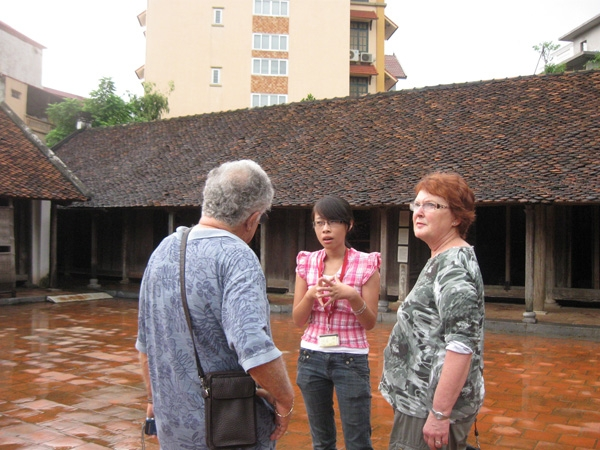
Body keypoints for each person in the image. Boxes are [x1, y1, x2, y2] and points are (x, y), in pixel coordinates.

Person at [136, 160, 295, 449]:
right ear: (252, 219)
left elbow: (145, 345)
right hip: (229, 429)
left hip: (175, 428)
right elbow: (253, 347)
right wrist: (285, 399)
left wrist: (151, 401)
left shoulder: (163, 251)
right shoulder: (237, 258)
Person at [379, 172, 485, 450]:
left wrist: (439, 414)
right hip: (419, 402)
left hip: (426, 407)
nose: (419, 212)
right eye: (416, 205)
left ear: (456, 217)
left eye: (431, 205)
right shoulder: (441, 258)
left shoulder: (452, 269)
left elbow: (462, 346)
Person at [292, 195, 381, 450]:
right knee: (321, 442)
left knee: (358, 441)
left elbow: (370, 322)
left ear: (349, 225)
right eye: (319, 223)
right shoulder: (306, 262)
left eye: (332, 222)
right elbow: (298, 320)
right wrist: (310, 295)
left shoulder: (366, 264)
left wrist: (351, 295)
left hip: (351, 358)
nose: (325, 229)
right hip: (311, 357)